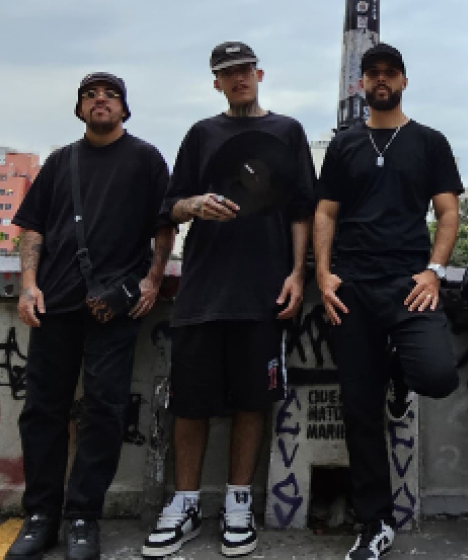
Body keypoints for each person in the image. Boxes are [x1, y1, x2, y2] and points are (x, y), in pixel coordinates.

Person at [144, 42, 316, 558]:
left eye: (244, 69)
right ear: (216, 82)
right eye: (226, 72)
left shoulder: (288, 132)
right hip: (202, 288)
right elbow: (167, 208)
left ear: (259, 73)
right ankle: (186, 501)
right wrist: (191, 204)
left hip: (264, 288)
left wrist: (296, 274)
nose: (238, 78)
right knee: (189, 404)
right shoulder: (201, 134)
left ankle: (239, 501)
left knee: (252, 401)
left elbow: (302, 210)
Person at [6, 73, 173, 560]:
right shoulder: (62, 161)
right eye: (90, 95)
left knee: (104, 410)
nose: (100, 101)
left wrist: (153, 280)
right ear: (80, 109)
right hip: (55, 303)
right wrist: (28, 285)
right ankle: (40, 515)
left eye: (111, 95)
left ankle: (83, 516)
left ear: (125, 108)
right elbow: (33, 227)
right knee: (42, 410)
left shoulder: (145, 158)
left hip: (115, 307)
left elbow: (163, 227)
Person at [313, 43, 464, 560]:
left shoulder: (429, 142)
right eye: (371, 74)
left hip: (407, 284)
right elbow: (325, 214)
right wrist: (323, 276)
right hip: (351, 288)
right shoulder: (345, 144)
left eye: (389, 73)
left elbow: (448, 214)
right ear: (361, 85)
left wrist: (435, 271)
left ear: (403, 80)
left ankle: (401, 373)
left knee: (438, 375)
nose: (381, 81)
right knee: (358, 410)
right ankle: (375, 522)